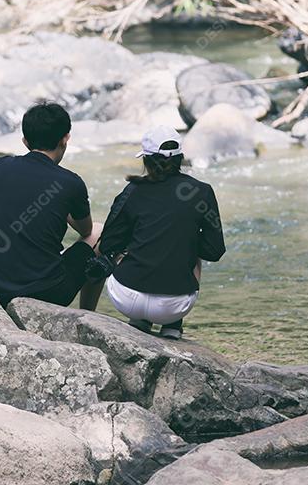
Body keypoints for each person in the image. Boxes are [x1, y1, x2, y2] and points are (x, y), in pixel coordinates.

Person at [0, 101, 104, 309]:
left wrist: (8, 209)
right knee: (100, 231)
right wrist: (62, 210)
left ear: (25, 141)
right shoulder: (71, 182)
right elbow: (86, 230)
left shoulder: (0, 166)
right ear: (65, 139)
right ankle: (87, 314)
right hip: (50, 293)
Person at [96, 125, 225, 339]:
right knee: (190, 246)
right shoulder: (202, 192)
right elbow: (215, 250)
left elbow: (108, 243)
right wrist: (186, 240)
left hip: (127, 298)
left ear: (146, 160)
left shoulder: (132, 190)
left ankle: (140, 320)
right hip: (175, 305)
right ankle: (172, 326)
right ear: (180, 159)